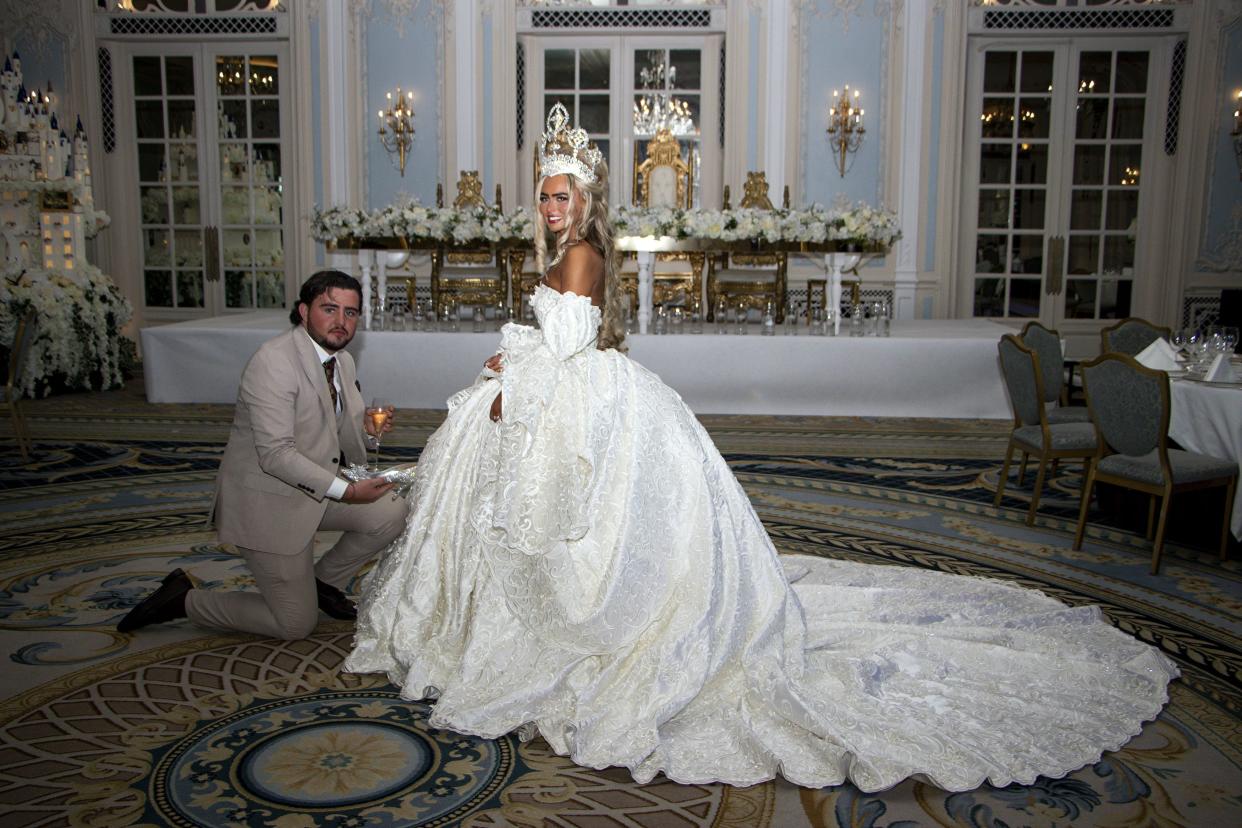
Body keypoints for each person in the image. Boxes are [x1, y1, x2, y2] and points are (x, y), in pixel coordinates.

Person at [343, 105, 1176, 791]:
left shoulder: (584, 253)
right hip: (585, 389)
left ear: (585, 201)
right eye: (545, 196)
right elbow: (563, 341)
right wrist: (513, 360)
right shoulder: (567, 252)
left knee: (581, 531)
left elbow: (561, 350)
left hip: (580, 399)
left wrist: (510, 373)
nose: (550, 207)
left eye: (562, 195)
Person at [118, 270, 407, 640]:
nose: (341, 322)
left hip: (312, 489)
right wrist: (348, 492)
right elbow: (275, 455)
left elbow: (332, 431)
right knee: (294, 625)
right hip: (268, 503)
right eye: (329, 309)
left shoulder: (341, 361)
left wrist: (367, 429)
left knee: (394, 510)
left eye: (350, 313)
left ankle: (318, 584)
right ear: (304, 311)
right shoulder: (274, 362)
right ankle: (183, 600)